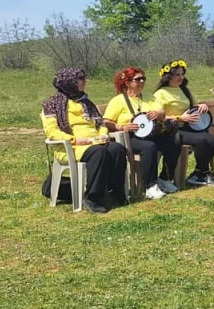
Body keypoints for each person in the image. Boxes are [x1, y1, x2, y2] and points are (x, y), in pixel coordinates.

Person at [41, 67, 129, 213]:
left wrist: (103, 134)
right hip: (71, 147)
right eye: (80, 79)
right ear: (69, 82)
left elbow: (100, 123)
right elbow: (52, 132)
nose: (84, 81)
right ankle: (92, 197)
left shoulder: (86, 101)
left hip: (95, 141)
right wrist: (74, 139)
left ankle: (115, 191)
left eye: (83, 78)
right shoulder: (52, 105)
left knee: (117, 149)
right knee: (99, 152)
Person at [103, 67, 178, 198]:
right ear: (128, 83)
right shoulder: (119, 100)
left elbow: (162, 112)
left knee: (173, 142)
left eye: (143, 78)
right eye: (138, 79)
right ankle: (150, 186)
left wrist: (157, 113)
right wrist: (122, 127)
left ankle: (165, 178)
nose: (142, 81)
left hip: (151, 133)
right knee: (149, 147)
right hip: (130, 136)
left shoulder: (148, 98)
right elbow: (107, 121)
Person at [153, 60, 214, 187]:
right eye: (177, 75)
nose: (181, 77)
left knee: (212, 139)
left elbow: (195, 104)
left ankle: (198, 172)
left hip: (188, 127)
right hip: (172, 129)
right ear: (168, 76)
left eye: (182, 74)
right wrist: (180, 118)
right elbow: (159, 116)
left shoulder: (183, 90)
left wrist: (202, 106)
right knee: (202, 140)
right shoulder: (160, 94)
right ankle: (203, 173)